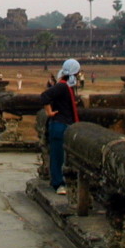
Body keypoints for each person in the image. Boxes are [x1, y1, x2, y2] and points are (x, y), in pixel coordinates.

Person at [41, 58, 81, 195]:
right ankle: (58, 183)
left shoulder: (67, 87)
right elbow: (45, 96)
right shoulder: (62, 86)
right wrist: (49, 112)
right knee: (57, 156)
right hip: (59, 125)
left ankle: (61, 181)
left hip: (65, 124)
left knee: (63, 156)